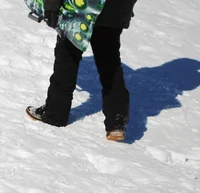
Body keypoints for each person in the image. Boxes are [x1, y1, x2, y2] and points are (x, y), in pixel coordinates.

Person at [26, 0, 137, 142]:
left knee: (67, 57)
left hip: (81, 8)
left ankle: (55, 114)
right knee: (109, 62)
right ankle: (117, 121)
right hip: (114, 9)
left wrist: (51, 7)